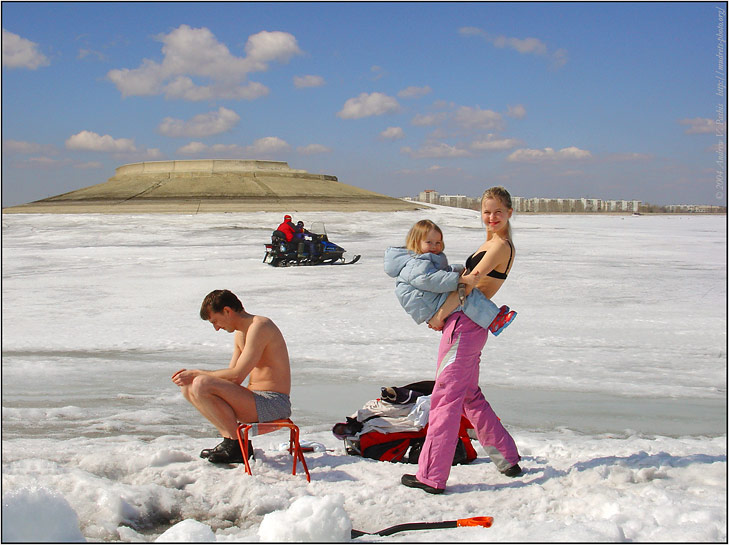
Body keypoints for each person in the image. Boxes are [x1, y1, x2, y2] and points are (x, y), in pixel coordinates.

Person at [401, 186, 522, 494]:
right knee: (468, 395)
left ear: (509, 212)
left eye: (497, 211)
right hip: (470, 324)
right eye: (486, 211)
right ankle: (507, 457)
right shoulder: (491, 242)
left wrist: (440, 315)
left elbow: (469, 286)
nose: (491, 217)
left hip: (464, 324)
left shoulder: (499, 246)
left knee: (445, 398)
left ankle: (431, 475)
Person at [171, 290, 292, 464]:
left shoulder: (260, 326)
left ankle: (237, 445)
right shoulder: (240, 334)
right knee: (189, 387)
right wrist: (192, 378)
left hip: (273, 403)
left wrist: (197, 373)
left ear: (227, 311)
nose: (216, 328)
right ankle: (230, 441)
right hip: (253, 400)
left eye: (215, 321)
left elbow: (236, 376)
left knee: (201, 382)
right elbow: (229, 378)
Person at [384, 219, 516, 335]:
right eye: (429, 242)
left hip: (428, 299)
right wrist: (460, 279)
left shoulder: (421, 260)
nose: (434, 246)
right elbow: (429, 280)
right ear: (416, 242)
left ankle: (492, 316)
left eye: (438, 242)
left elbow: (440, 274)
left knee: (465, 295)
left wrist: (457, 270)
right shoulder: (415, 263)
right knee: (468, 297)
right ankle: (493, 320)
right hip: (428, 302)